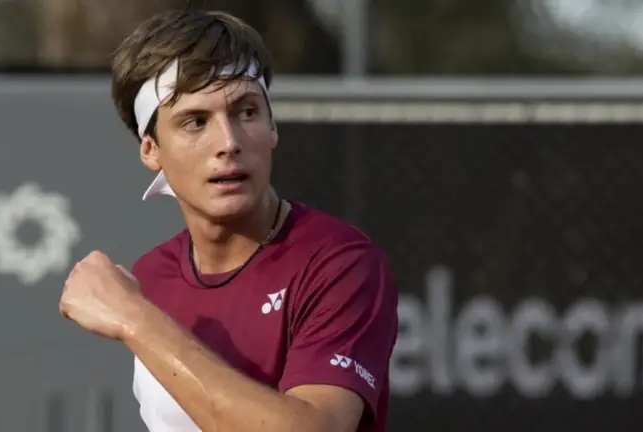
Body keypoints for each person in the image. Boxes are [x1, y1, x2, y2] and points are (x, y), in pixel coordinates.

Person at [58, 8, 399, 432]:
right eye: (196, 122)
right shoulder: (151, 276)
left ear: (272, 126)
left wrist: (135, 319)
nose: (229, 142)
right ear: (151, 149)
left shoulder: (340, 263)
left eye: (247, 112)